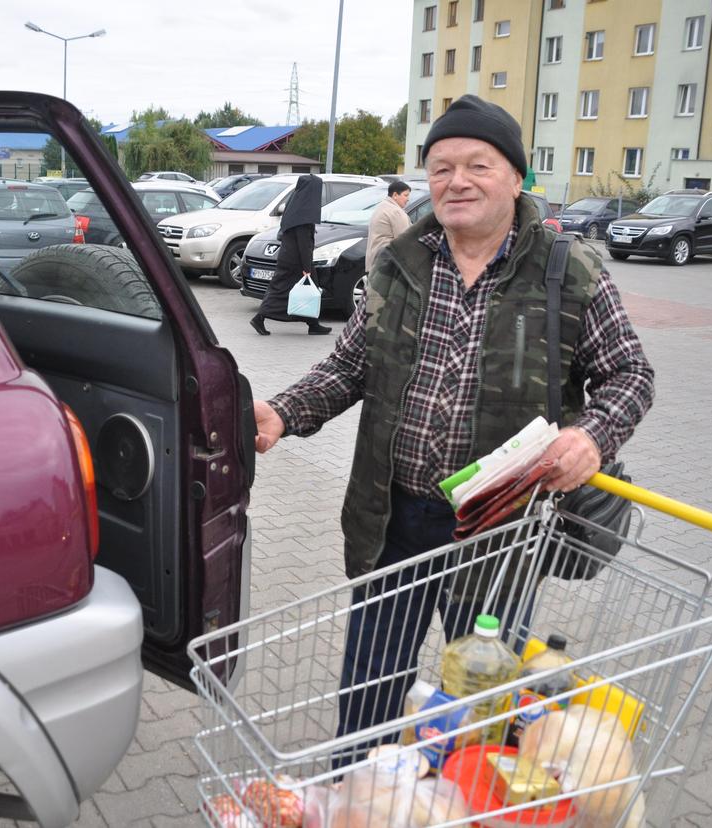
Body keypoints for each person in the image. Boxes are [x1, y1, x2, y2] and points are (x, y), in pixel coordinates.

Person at [251, 95, 654, 756]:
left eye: (478, 165)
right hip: (393, 522)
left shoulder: (567, 271)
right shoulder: (400, 266)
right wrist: (282, 411)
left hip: (499, 531)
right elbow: (351, 366)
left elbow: (629, 374)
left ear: (516, 177)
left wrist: (592, 437)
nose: (456, 181)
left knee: (480, 708)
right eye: (440, 168)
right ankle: (360, 795)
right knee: (369, 700)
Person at [250, 174, 332, 336]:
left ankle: (313, 323)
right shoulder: (304, 211)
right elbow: (304, 243)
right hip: (296, 261)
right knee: (282, 290)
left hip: (288, 257)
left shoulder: (295, 205)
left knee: (287, 288)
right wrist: (307, 267)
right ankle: (260, 317)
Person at [365, 180, 411, 274]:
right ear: (395, 195)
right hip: (388, 264)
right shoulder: (395, 211)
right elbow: (405, 240)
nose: (408, 199)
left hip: (376, 261)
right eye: (405, 195)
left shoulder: (382, 207)